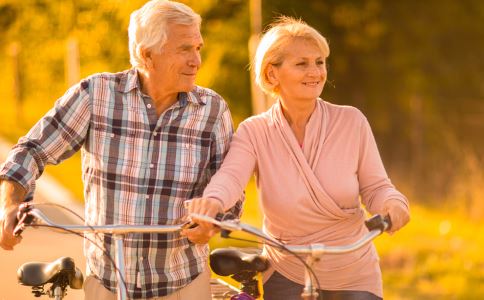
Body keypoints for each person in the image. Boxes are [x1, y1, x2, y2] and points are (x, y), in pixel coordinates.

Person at [0, 0, 241, 299]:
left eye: (198, 48)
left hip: (183, 282)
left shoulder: (213, 111)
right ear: (146, 55)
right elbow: (31, 150)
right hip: (107, 282)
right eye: (184, 49)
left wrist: (212, 223)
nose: (197, 61)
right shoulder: (96, 95)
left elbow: (232, 191)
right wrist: (10, 204)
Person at [185, 17, 410, 300]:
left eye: (319, 62)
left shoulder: (352, 121)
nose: (315, 72)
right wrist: (212, 203)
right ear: (272, 74)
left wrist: (394, 204)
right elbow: (230, 178)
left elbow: (377, 187)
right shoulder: (254, 131)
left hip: (354, 268)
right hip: (286, 269)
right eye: (302, 64)